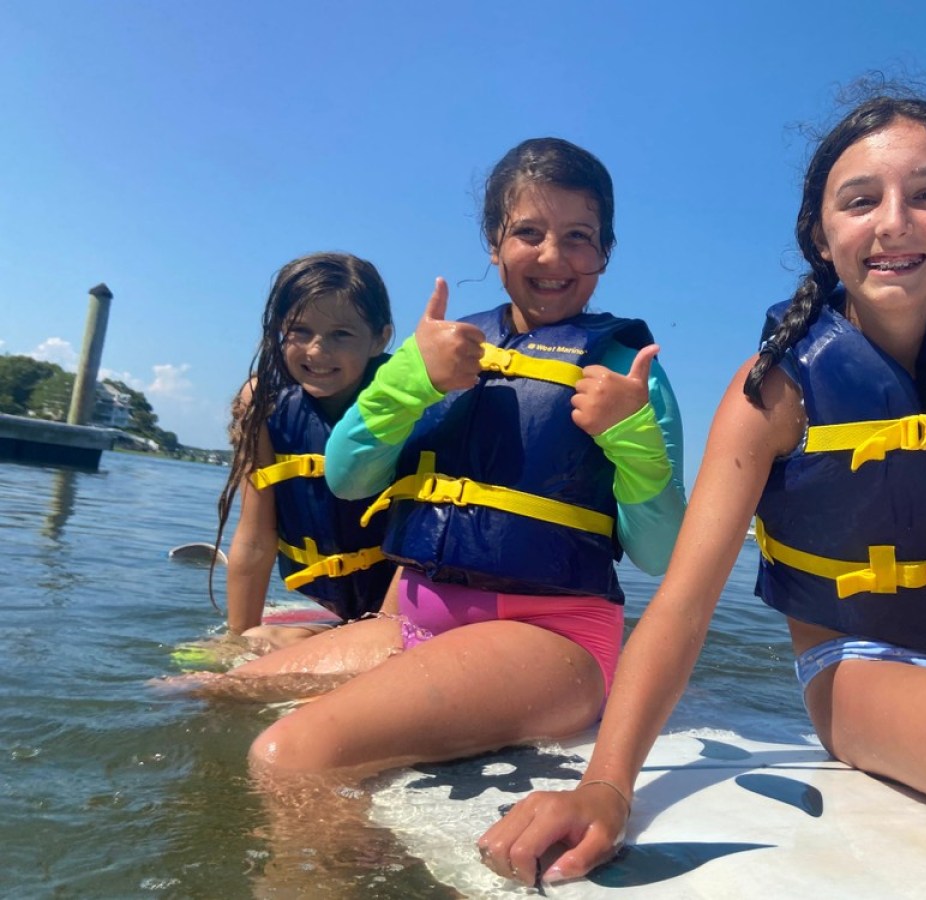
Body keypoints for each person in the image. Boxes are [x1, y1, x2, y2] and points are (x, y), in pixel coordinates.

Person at [478, 89, 926, 887]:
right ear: (821, 236)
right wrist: (607, 788)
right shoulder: (771, 397)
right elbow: (681, 607)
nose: (894, 222)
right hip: (856, 666)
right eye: (861, 201)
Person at [238, 137, 686, 778]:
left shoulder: (627, 372)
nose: (552, 256)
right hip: (414, 625)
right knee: (204, 693)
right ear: (493, 241)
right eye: (528, 232)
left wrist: (632, 438)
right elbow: (347, 477)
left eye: (579, 237)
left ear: (605, 251)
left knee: (287, 754)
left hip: (553, 641)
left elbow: (659, 554)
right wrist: (409, 383)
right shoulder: (435, 351)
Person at [214, 252, 398, 653]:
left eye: (341, 334)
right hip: (341, 613)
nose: (317, 350)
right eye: (300, 330)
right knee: (255, 643)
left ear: (380, 339)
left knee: (275, 649)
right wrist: (236, 641)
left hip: (405, 612)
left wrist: (384, 635)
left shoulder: (405, 404)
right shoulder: (262, 403)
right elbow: (255, 537)